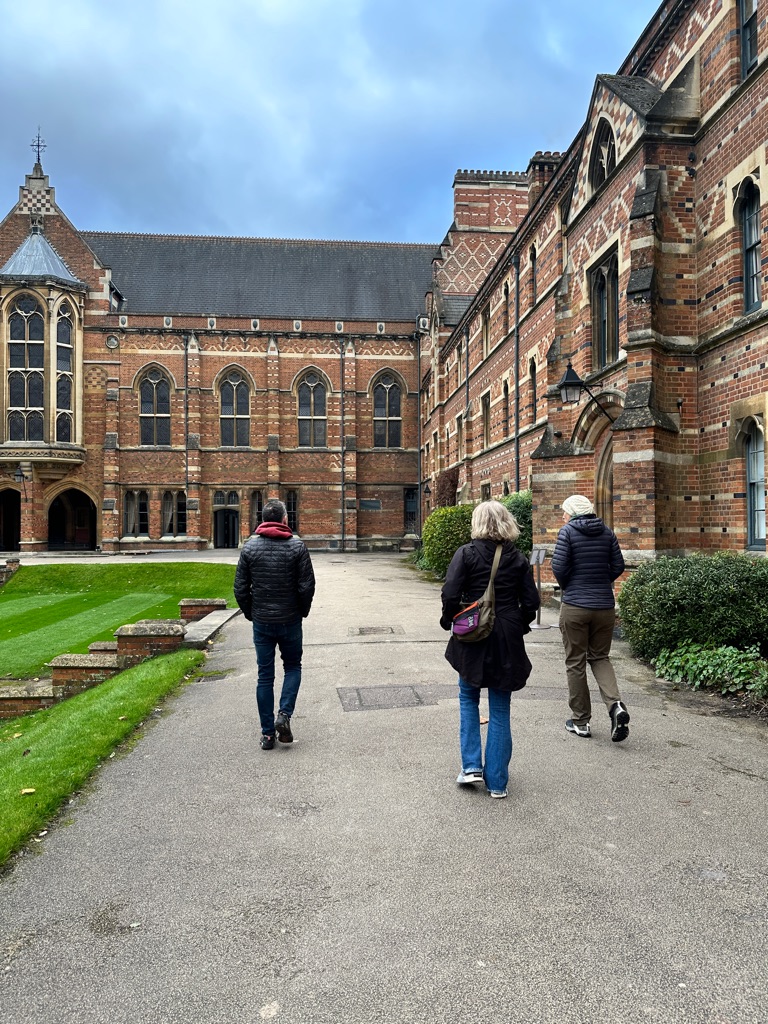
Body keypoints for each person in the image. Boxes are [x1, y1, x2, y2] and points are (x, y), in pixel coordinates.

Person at [440, 501, 540, 799]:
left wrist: (449, 620)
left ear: (478, 523)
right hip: (507, 633)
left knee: (468, 697)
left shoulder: (466, 553)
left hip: (473, 632)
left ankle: (471, 766)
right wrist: (517, 623)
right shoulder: (517, 558)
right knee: (500, 707)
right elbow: (532, 602)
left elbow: (450, 593)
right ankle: (497, 782)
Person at [234, 498, 316, 750]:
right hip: (290, 619)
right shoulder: (297, 547)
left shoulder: (249, 548)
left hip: (263, 622)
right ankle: (284, 714)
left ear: (262, 520)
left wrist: (252, 613)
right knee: (293, 667)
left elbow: (240, 588)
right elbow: (307, 586)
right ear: (284, 519)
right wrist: (301, 611)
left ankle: (268, 735)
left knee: (265, 676)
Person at [551, 494, 629, 742]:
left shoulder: (567, 532)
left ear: (573, 513)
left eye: (565, 512)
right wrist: (601, 582)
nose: (563, 516)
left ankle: (580, 721)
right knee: (600, 657)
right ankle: (615, 705)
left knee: (576, 661)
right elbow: (618, 566)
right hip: (604, 607)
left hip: (575, 606)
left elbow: (559, 567)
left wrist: (572, 586)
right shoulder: (607, 532)